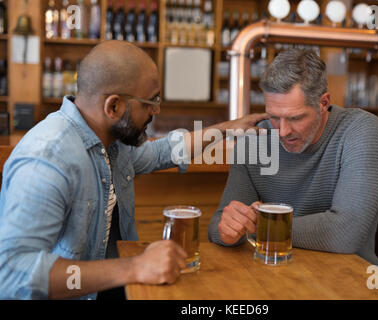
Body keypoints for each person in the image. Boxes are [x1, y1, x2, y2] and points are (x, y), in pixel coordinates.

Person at [0, 40, 267, 300]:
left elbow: (163, 152)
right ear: (113, 106)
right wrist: (134, 267)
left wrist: (226, 129)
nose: (157, 110)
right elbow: (12, 276)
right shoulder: (48, 160)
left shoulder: (112, 143)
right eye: (150, 101)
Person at [208, 49, 378, 268]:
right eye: (274, 117)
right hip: (277, 274)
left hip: (350, 278)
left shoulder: (361, 131)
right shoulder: (253, 140)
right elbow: (218, 225)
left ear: (323, 103)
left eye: (295, 118)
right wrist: (227, 229)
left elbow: (346, 233)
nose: (283, 131)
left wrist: (262, 224)